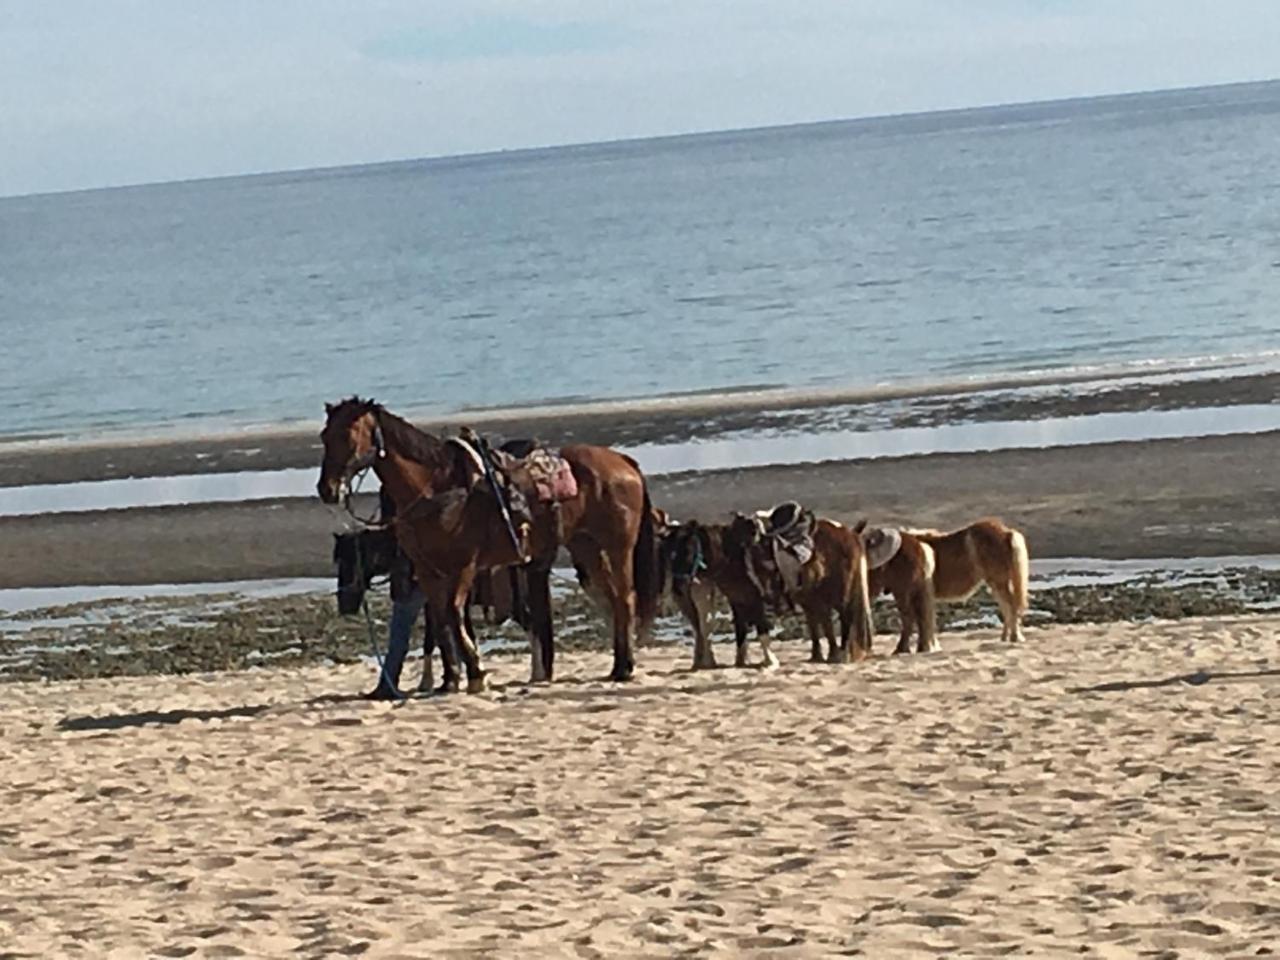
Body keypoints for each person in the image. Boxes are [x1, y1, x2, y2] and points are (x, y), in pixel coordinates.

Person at [365, 489, 426, 700]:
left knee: (400, 632)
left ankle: (389, 682)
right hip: (411, 577)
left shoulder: (402, 523)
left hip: (408, 579)